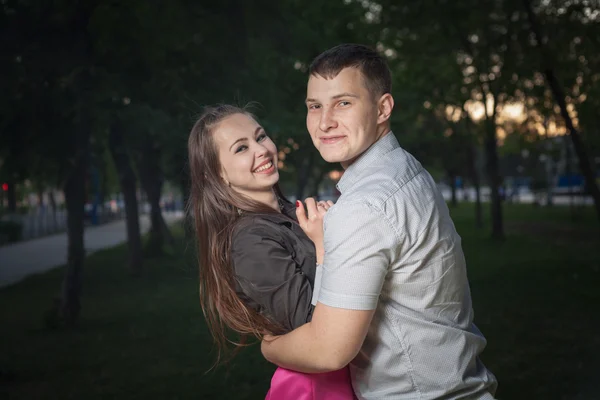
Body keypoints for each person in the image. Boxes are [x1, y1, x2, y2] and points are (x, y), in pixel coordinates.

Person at [261, 44, 498, 399]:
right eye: (314, 106)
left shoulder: (364, 205)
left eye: (343, 102)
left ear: (383, 108)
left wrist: (270, 344)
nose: (324, 122)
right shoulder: (405, 168)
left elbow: (329, 350)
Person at [187, 104, 356, 399]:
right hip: (318, 388)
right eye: (241, 148)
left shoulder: (294, 213)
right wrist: (324, 246)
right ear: (217, 175)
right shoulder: (250, 242)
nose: (261, 150)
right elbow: (315, 332)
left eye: (260, 137)